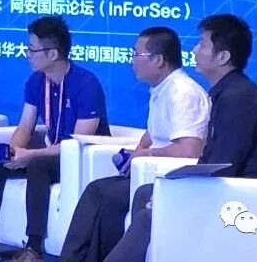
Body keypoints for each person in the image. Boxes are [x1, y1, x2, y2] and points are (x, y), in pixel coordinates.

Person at [103, 14, 257, 262]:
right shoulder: (228, 91)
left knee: (151, 211)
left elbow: (223, 165)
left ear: (223, 57)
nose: (194, 50)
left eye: (202, 44)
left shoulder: (236, 98)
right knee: (145, 193)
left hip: (252, 195)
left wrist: (180, 191)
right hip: (235, 186)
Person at [0, 15, 110, 262]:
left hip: (81, 160)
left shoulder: (86, 84)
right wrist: (13, 152)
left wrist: (31, 155)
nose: (27, 54)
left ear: (53, 54)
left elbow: (77, 143)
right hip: (51, 153)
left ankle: (34, 248)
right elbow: (25, 127)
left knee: (38, 165)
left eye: (32, 49)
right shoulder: (36, 81)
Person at [59, 26, 210, 262]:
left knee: (111, 197)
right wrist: (136, 155)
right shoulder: (162, 89)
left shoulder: (182, 93)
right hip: (151, 173)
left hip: (174, 179)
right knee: (96, 190)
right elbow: (153, 133)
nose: (131, 61)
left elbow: (188, 150)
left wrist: (145, 155)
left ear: (158, 60)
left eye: (136, 54)